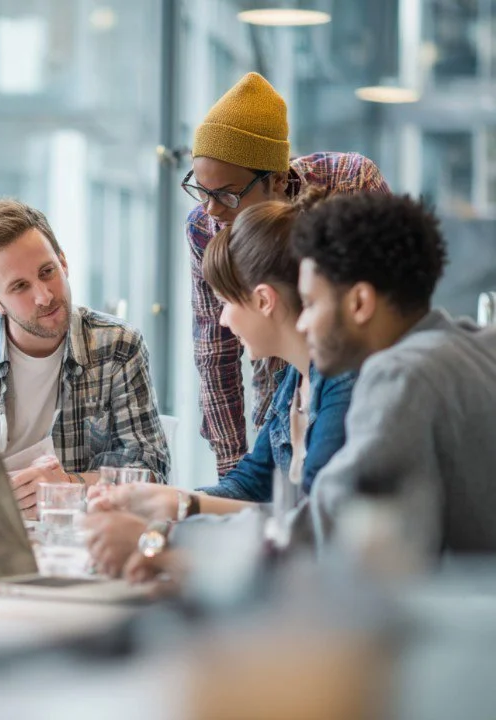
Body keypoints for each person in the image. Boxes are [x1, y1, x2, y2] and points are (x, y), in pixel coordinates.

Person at [85, 193, 355, 576]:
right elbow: (249, 485)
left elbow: (307, 524)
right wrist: (156, 500)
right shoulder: (295, 380)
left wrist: (175, 516)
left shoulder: (343, 384)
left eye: (226, 302)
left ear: (264, 300)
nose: (224, 320)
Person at [0, 198, 169, 518]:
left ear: (64, 262)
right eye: (20, 286)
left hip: (72, 535)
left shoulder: (119, 347)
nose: (44, 296)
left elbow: (150, 472)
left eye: (47, 271)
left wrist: (67, 486)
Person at [185, 71, 389, 477]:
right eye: (200, 191)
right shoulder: (204, 225)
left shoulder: (348, 183)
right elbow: (216, 350)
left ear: (277, 179)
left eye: (225, 195)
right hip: (281, 391)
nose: (211, 210)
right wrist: (232, 469)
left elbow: (391, 291)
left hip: (360, 379)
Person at [292, 192, 496, 556]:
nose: (302, 322)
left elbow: (329, 527)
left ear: (360, 303)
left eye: (309, 303)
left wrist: (187, 539)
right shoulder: (477, 347)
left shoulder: (401, 376)